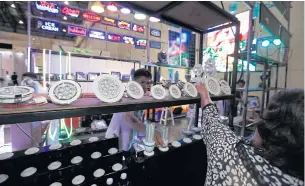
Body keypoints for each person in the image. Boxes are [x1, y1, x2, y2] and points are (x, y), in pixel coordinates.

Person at [196, 83, 304, 186]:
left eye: (265, 116)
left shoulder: (232, 153)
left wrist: (204, 94)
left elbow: (212, 123)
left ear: (272, 129)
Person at [105, 69, 163, 151]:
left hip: (127, 135)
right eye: (142, 82)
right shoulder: (129, 96)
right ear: (134, 83)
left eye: (147, 83)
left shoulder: (140, 96)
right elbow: (128, 118)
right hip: (115, 138)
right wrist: (149, 131)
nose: (145, 86)